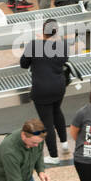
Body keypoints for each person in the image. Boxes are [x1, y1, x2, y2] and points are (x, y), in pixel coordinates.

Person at [20, 18, 71, 163]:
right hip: (59, 87)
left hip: (41, 89)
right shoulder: (63, 45)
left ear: (43, 31)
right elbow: (64, 59)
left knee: (47, 122)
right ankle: (65, 144)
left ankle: (54, 156)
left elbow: (24, 64)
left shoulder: (34, 45)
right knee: (57, 112)